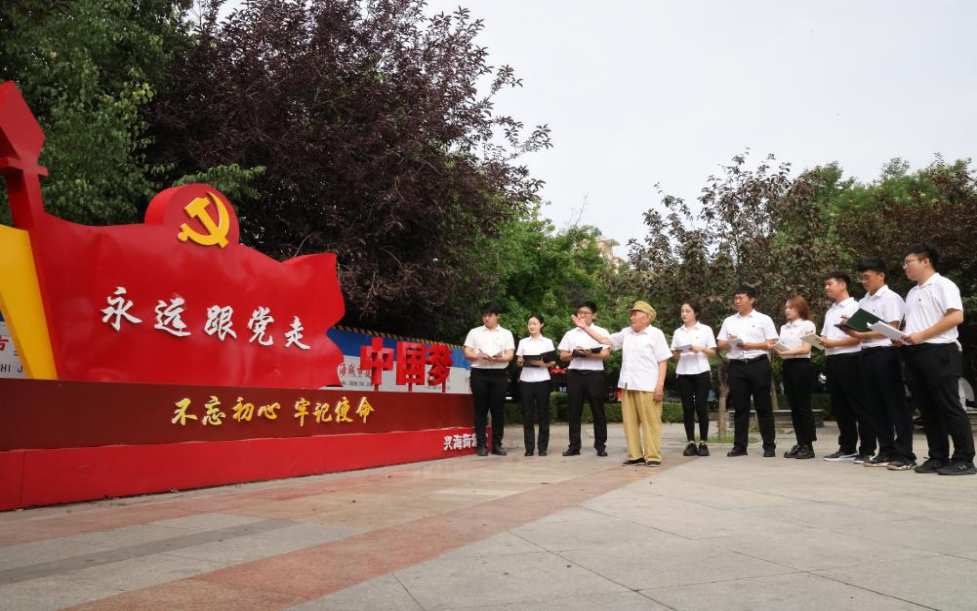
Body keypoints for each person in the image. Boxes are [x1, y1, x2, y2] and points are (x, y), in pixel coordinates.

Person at [901, 244, 975, 475]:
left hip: (940, 351)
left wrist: (922, 335)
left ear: (926, 261)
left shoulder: (943, 285)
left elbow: (956, 316)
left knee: (949, 406)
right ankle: (937, 456)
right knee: (927, 408)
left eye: (908, 262)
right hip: (914, 352)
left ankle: (964, 459)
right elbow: (916, 324)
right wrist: (903, 336)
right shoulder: (912, 292)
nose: (905, 267)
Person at [573, 301, 671, 466]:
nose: (631, 318)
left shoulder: (656, 334)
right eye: (631, 314)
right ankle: (635, 456)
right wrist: (584, 328)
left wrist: (660, 386)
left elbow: (663, 361)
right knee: (630, 423)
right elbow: (605, 340)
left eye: (635, 314)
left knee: (651, 423)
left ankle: (653, 456)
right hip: (627, 384)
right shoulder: (627, 333)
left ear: (647, 317)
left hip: (647, 386)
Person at [841, 257, 915, 470]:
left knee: (895, 404)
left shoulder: (891, 298)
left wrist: (860, 333)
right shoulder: (863, 301)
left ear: (881, 275)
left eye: (867, 277)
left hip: (886, 352)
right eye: (861, 278)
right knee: (875, 405)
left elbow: (892, 328)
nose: (864, 282)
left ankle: (905, 453)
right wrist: (850, 326)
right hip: (866, 353)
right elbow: (862, 327)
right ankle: (886, 450)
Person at [820, 271, 876, 463]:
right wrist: (820, 341)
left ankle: (867, 448)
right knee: (840, 407)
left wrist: (833, 343)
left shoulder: (856, 306)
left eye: (829, 284)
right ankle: (847, 447)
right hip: (832, 360)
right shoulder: (830, 311)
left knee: (859, 405)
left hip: (852, 359)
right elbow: (825, 337)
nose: (826, 288)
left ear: (842, 285)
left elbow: (860, 337)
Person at [717, 286, 779, 457]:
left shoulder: (764, 319)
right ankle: (740, 446)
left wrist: (749, 345)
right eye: (735, 298)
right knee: (740, 408)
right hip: (736, 366)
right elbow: (720, 343)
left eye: (741, 298)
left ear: (752, 299)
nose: (737, 301)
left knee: (763, 407)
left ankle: (769, 446)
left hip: (758, 364)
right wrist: (731, 342)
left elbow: (772, 342)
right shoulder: (729, 321)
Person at [557, 300, 611, 457]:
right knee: (574, 411)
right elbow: (562, 356)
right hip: (575, 375)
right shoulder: (570, 333)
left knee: (598, 411)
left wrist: (590, 354)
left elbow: (606, 353)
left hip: (594, 374)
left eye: (585, 313)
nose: (581, 315)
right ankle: (574, 446)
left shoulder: (601, 332)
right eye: (579, 313)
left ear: (593, 315)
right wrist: (574, 353)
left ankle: (600, 446)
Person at [463, 303, 515, 457]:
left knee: (498, 410)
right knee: (480, 410)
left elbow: (510, 355)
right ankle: (481, 445)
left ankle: (497, 445)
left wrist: (498, 358)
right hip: (479, 373)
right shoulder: (474, 332)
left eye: (490, 315)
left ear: (497, 316)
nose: (487, 319)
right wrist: (477, 355)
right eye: (484, 316)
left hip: (499, 374)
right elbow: (467, 352)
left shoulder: (506, 334)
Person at [772, 296, 817, 459]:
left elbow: (805, 349)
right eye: (786, 307)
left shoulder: (807, 325)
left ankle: (808, 445)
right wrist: (776, 348)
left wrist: (785, 352)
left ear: (800, 308)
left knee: (803, 406)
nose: (787, 310)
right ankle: (800, 441)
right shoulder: (784, 327)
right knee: (794, 407)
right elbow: (782, 347)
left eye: (791, 307)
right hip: (788, 365)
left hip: (802, 365)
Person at [671, 300, 717, 457]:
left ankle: (703, 442)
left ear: (695, 313)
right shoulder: (678, 332)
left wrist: (700, 348)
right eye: (682, 311)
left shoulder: (705, 330)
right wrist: (678, 352)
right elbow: (675, 356)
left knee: (701, 407)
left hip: (701, 372)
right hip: (683, 373)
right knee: (687, 408)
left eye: (687, 311)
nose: (684, 314)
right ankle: (690, 442)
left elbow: (713, 352)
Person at [515, 314, 556, 457]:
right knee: (527, 415)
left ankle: (543, 447)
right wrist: (520, 362)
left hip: (542, 380)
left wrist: (541, 364)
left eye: (534, 323)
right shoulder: (523, 342)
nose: (531, 326)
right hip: (526, 380)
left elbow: (552, 362)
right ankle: (529, 448)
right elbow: (519, 361)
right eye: (529, 324)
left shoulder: (547, 342)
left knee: (543, 414)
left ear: (541, 325)